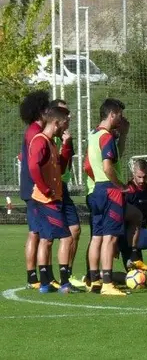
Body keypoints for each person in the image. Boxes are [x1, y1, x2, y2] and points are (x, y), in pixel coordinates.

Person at [28, 106, 77, 293]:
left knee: (46, 239)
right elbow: (33, 167)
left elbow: (62, 167)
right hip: (47, 200)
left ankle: (45, 284)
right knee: (66, 238)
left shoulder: (51, 142)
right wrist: (45, 189)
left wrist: (67, 145)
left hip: (45, 198)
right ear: (57, 122)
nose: (67, 126)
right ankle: (65, 284)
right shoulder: (40, 141)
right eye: (66, 122)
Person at [84, 98, 130, 296]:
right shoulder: (106, 137)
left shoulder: (94, 135)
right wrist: (119, 186)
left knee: (97, 237)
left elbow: (87, 166)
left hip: (97, 190)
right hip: (110, 190)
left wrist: (99, 183)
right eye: (119, 114)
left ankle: (94, 280)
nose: (121, 118)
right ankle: (108, 282)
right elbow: (107, 166)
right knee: (110, 238)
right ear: (112, 114)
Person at [48, 99, 86, 289]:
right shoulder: (47, 137)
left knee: (75, 231)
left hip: (64, 187)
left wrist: (68, 144)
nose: (67, 117)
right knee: (46, 237)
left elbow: (65, 165)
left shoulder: (64, 136)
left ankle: (67, 274)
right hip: (50, 189)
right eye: (64, 114)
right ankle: (46, 277)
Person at [19, 90, 50, 289]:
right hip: (33, 189)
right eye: (46, 108)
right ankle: (33, 277)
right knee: (35, 233)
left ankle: (37, 275)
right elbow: (33, 163)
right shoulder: (34, 133)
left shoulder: (33, 130)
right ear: (40, 111)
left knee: (37, 232)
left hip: (32, 188)